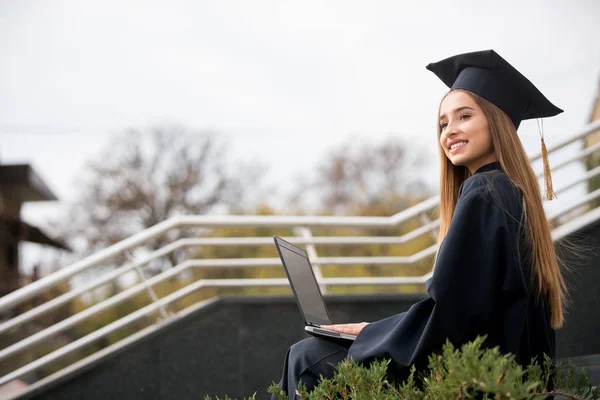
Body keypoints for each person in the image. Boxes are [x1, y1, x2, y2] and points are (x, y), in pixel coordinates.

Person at [272, 49, 568, 400]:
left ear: (497, 120)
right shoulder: (510, 192)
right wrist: (376, 331)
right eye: (443, 123)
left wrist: (372, 336)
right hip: (504, 374)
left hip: (478, 380)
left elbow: (452, 317)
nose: (450, 131)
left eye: (464, 116)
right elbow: (465, 308)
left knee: (307, 357)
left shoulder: (485, 191)